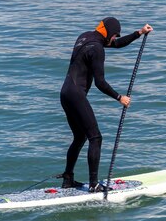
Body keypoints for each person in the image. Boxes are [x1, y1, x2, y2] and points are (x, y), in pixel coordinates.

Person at [59, 17, 153, 192]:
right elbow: (100, 83)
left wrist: (139, 33)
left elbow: (116, 44)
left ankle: (68, 179)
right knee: (95, 138)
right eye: (114, 35)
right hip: (76, 95)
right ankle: (94, 184)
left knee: (80, 137)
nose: (114, 38)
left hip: (65, 93)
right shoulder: (97, 49)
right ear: (108, 32)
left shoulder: (85, 37)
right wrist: (119, 98)